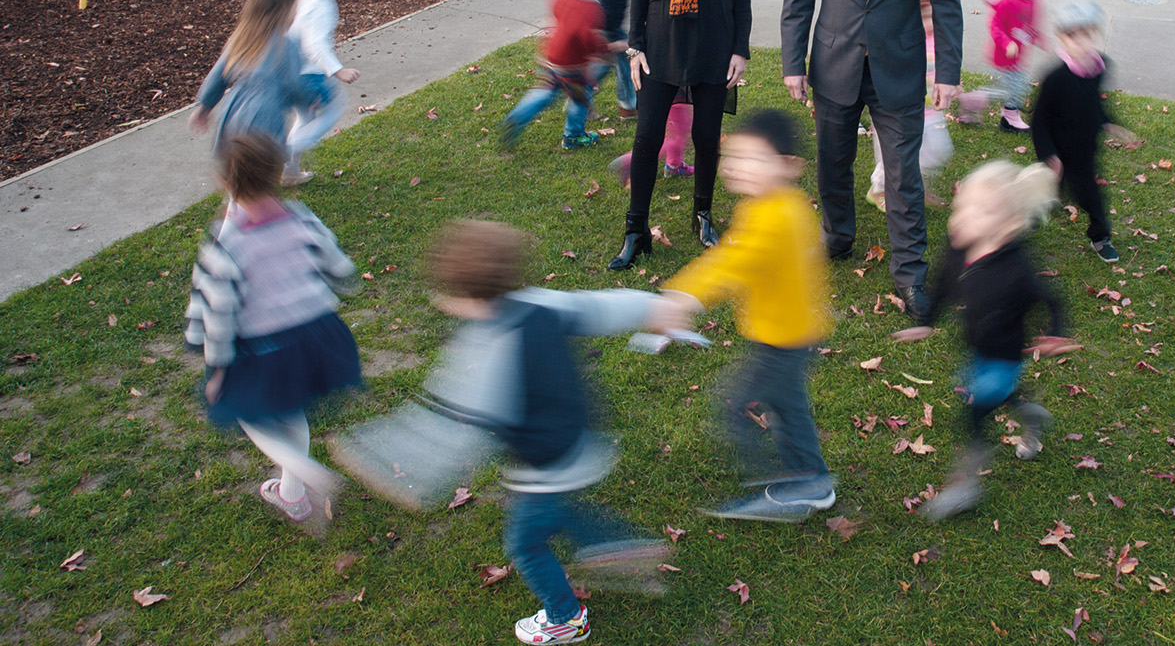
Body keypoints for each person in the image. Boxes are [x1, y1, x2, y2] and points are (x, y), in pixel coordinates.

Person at [423, 220, 686, 644]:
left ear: (466, 297)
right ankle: (616, 546)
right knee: (560, 511)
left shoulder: (489, 344)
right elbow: (601, 307)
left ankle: (566, 616)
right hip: (582, 442)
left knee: (525, 544)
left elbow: (454, 424)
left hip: (544, 466)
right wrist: (653, 307)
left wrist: (405, 467)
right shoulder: (540, 302)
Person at [780, 0, 962, 318]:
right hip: (834, 62)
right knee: (833, 163)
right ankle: (837, 239)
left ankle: (910, 275)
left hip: (898, 67)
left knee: (904, 178)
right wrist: (792, 63)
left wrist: (948, 71)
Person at [657, 110, 836, 522]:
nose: (738, 167)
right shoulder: (776, 204)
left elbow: (732, 263)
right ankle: (812, 480)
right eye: (734, 157)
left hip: (783, 340)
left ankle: (800, 484)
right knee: (787, 407)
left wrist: (682, 296)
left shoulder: (774, 217)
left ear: (790, 166)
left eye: (755, 159)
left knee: (735, 406)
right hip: (790, 331)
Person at [183, 133, 361, 527]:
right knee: (291, 410)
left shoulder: (226, 242)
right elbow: (338, 265)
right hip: (315, 336)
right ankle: (292, 495)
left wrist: (219, 369)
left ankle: (305, 469)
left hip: (264, 348)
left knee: (249, 414)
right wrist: (341, 281)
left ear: (224, 182)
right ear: (279, 173)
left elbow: (218, 311)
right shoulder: (301, 217)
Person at [891, 161, 1078, 520]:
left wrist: (1056, 331)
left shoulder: (1017, 269)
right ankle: (1031, 414)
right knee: (987, 392)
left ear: (1007, 226)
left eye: (981, 211)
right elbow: (946, 283)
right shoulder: (963, 248)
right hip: (977, 347)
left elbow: (1052, 299)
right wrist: (927, 322)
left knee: (974, 414)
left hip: (1005, 356)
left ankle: (965, 486)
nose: (963, 218)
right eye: (963, 206)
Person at [610, 0, 752, 271]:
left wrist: (739, 50)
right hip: (661, 47)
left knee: (707, 137)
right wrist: (635, 47)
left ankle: (703, 213)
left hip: (713, 44)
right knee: (648, 136)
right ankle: (636, 230)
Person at [1028, 0, 1138, 263]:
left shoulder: (1101, 66)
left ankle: (1100, 237)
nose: (1082, 42)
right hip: (1057, 150)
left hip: (1085, 152)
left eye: (1088, 35)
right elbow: (1039, 121)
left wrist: (1108, 122)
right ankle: (1028, 215)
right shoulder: (1055, 78)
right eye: (1073, 36)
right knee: (1047, 191)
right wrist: (1049, 155)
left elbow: (1094, 101)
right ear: (1062, 40)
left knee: (1091, 197)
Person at [189, 0, 320, 156]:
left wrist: (203, 106)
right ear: (285, 8)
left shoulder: (241, 39)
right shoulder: (286, 45)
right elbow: (295, 82)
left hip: (232, 116)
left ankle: (234, 186)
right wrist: (309, 100)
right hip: (264, 119)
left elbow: (218, 74)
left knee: (236, 171)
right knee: (259, 175)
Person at [500, 0, 611, 152]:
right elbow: (588, 38)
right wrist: (604, 48)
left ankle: (518, 115)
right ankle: (573, 136)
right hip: (572, 66)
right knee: (580, 97)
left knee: (546, 91)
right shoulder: (590, 8)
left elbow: (563, 17)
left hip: (551, 56)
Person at [280, 0, 360, 185]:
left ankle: (290, 172)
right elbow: (314, 45)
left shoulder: (290, 1)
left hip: (287, 74)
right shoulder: (321, 5)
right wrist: (338, 70)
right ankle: (282, 154)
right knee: (335, 107)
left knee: (305, 119)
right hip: (309, 78)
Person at [867, 0, 952, 212]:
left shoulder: (937, 39)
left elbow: (944, 65)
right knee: (891, 158)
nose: (930, 21)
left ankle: (910, 181)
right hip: (897, 111)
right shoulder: (901, 38)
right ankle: (880, 189)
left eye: (933, 15)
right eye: (925, 15)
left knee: (936, 151)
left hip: (929, 111)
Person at [958, 0, 1045, 132]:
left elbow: (1030, 23)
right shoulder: (1006, 1)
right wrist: (1006, 43)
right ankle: (1008, 118)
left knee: (1014, 87)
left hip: (1020, 54)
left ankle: (987, 106)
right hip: (1004, 55)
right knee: (1012, 88)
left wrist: (1039, 38)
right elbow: (995, 25)